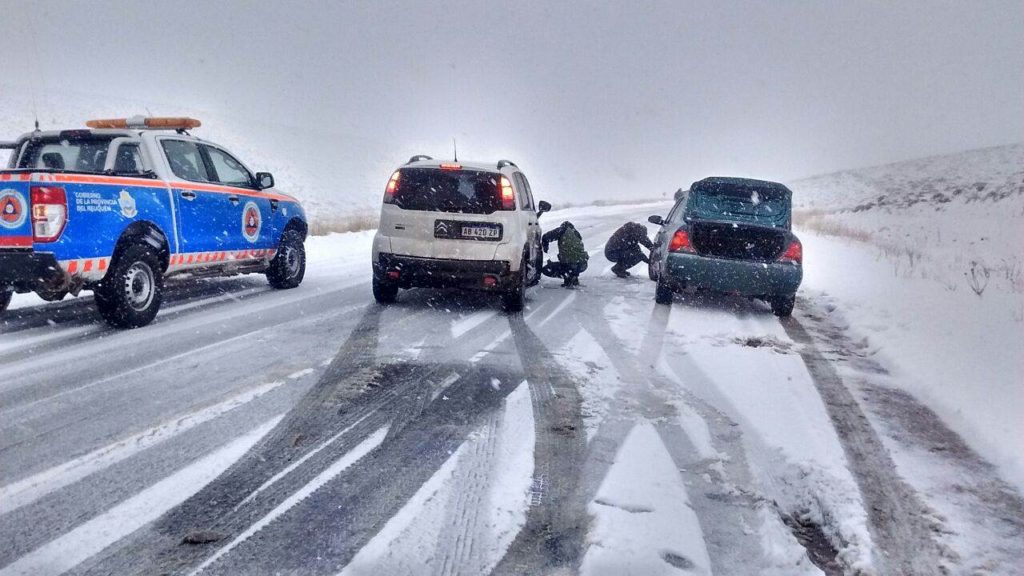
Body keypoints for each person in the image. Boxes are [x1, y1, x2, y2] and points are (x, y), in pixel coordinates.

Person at [541, 221, 588, 287]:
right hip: (583, 264)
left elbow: (545, 237)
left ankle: (568, 277)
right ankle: (573, 276)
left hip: (569, 264)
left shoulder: (562, 230)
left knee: (546, 269)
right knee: (572, 262)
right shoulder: (576, 234)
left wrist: (545, 248)